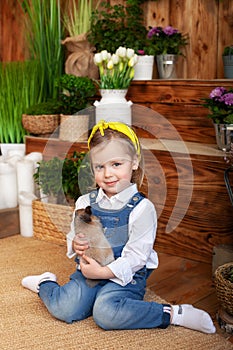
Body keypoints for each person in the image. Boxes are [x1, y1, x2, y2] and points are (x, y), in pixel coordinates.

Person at [22, 120, 216, 334]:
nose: (107, 174)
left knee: (105, 313)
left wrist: (104, 272)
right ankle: (45, 283)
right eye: (100, 166)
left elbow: (137, 257)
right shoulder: (84, 202)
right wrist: (76, 244)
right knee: (64, 308)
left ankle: (172, 313)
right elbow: (73, 235)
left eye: (116, 164)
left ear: (134, 162)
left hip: (126, 277)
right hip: (89, 272)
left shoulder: (142, 209)